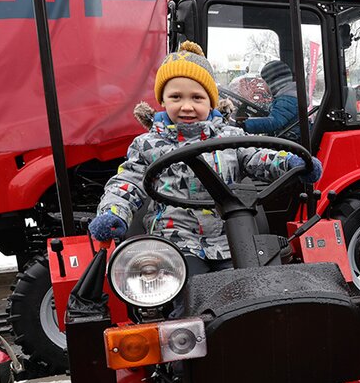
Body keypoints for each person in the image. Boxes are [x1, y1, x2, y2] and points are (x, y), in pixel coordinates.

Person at [88, 41, 322, 276]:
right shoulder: (147, 145)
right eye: (176, 97)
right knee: (185, 293)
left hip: (230, 239)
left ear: (211, 100)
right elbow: (127, 183)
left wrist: (291, 163)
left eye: (197, 98)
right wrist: (114, 212)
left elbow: (258, 157)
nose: (187, 106)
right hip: (175, 243)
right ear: (163, 100)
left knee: (251, 288)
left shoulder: (230, 137)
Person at [244, 60, 301, 138]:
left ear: (274, 83)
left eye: (264, 82)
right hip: (286, 136)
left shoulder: (287, 100)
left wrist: (245, 124)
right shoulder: (286, 97)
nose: (263, 85)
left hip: (292, 140)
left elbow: (274, 122)